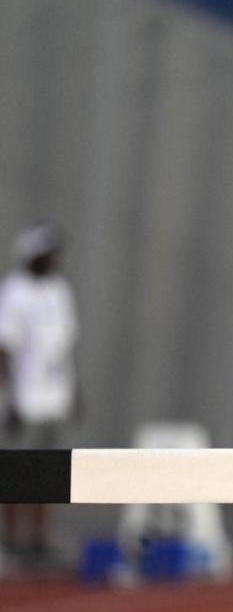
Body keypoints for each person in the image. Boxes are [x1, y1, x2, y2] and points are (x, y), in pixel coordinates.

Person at [0, 221, 79, 564]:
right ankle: (11, 538)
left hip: (54, 395)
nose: (53, 259)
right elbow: (5, 348)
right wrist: (9, 398)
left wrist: (75, 390)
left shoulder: (58, 290)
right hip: (25, 397)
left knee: (52, 470)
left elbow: (65, 346)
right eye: (47, 253)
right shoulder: (15, 291)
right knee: (17, 469)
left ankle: (40, 537)